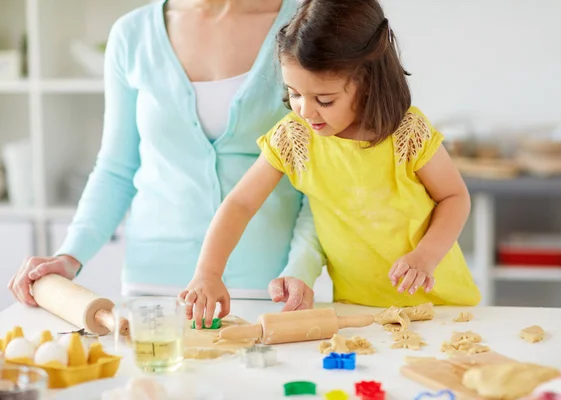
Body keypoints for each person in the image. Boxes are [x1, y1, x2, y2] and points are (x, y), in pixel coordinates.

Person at [7, 0, 326, 311]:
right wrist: (69, 256)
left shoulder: (304, 23)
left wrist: (300, 267)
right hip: (152, 288)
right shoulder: (132, 34)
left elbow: (322, 178)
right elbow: (116, 170)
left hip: (271, 286)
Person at [180, 0, 482, 327]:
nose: (305, 111)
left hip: (442, 307)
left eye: (324, 100)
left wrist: (426, 256)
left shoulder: (407, 133)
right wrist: (207, 273)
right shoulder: (294, 138)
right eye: (294, 93)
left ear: (366, 82)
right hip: (359, 311)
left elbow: (454, 197)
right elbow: (240, 203)